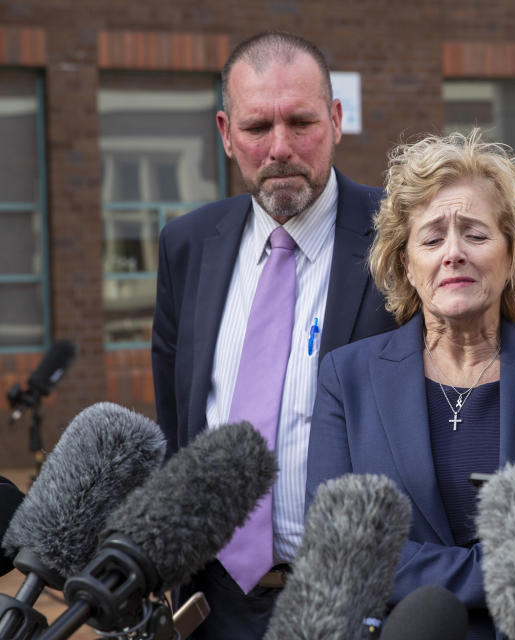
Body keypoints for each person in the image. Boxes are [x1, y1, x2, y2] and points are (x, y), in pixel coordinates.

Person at [151, 32, 396, 639]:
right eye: (258, 127)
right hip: (210, 602)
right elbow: (176, 424)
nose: (280, 148)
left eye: (302, 122)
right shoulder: (187, 245)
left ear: (336, 120)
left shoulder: (403, 238)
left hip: (350, 601)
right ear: (226, 131)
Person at [306, 130, 515, 639]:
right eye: (432, 238)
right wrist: (505, 574)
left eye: (476, 235)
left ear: (513, 255)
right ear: (405, 265)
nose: (453, 253)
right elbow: (339, 548)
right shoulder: (347, 378)